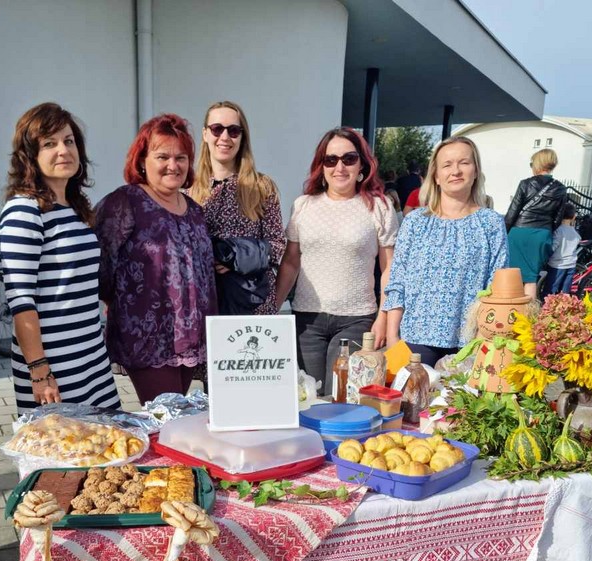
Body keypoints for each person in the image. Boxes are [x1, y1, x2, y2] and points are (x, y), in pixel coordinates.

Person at [0, 103, 120, 414]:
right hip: (55, 363)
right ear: (30, 155)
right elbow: (21, 301)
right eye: (49, 144)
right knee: (61, 454)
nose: (63, 150)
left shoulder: (75, 210)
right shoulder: (24, 210)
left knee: (97, 451)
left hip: (90, 355)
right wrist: (40, 371)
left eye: (69, 141)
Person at [95, 114, 216, 404]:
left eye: (181, 157)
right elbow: (101, 265)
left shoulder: (195, 210)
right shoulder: (125, 203)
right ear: (141, 161)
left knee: (176, 418)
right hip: (148, 339)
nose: (173, 165)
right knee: (165, 419)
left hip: (192, 339)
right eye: (162, 156)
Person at [274, 127, 397, 394]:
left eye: (348, 159)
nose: (339, 167)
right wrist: (271, 308)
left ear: (362, 164)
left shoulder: (379, 206)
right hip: (307, 319)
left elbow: (388, 268)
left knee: (340, 398)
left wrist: (384, 317)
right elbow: (291, 262)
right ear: (322, 166)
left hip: (357, 320)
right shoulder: (303, 206)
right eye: (331, 160)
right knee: (308, 395)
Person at [383, 136, 508, 366]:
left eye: (464, 162)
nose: (456, 171)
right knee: (411, 402)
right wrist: (392, 338)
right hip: (415, 339)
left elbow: (496, 287)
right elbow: (397, 280)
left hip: (469, 341)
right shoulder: (415, 222)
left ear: (476, 171)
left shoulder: (490, 223)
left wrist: (482, 342)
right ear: (436, 176)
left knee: (458, 403)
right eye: (447, 165)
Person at [189, 100, 286, 315]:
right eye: (217, 129)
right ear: (205, 134)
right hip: (203, 302)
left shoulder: (261, 186)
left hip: (251, 302)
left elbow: (277, 244)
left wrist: (235, 258)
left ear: (242, 137)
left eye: (233, 130)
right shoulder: (187, 189)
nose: (225, 137)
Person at [504, 148, 568, 299]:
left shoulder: (525, 184)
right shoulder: (560, 188)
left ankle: (511, 311)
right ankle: (528, 316)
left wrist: (504, 232)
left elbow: (512, 211)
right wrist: (546, 231)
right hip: (541, 233)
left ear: (537, 164)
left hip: (519, 233)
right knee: (531, 277)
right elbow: (558, 218)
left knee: (513, 274)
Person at [542, 203, 581, 299]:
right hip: (571, 265)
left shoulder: (558, 231)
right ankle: (563, 310)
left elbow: (553, 247)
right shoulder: (575, 232)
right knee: (565, 293)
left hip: (557, 265)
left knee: (551, 290)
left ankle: (546, 308)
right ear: (573, 217)